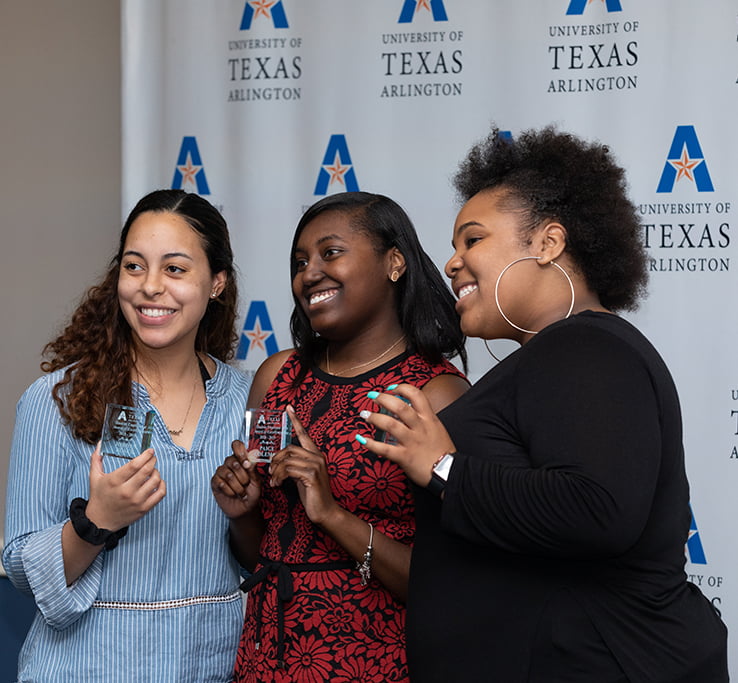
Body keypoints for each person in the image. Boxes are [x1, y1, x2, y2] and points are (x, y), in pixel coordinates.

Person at [358, 127, 729, 682]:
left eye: (473, 240)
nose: (452, 263)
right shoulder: (557, 354)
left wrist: (441, 466)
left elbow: (596, 510)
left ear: (547, 244)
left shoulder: (587, 347)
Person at [211, 191, 469, 682]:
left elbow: (448, 585)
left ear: (394, 263)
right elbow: (261, 550)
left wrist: (331, 514)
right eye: (300, 261)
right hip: (268, 657)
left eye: (330, 253)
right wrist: (242, 515)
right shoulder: (277, 377)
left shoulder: (435, 395)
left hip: (373, 662)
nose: (309, 274)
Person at [3, 189, 250, 681]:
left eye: (175, 269)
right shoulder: (57, 397)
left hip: (212, 666)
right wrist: (96, 521)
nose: (150, 286)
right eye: (134, 266)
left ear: (216, 283)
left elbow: (274, 550)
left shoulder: (248, 400)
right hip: (88, 667)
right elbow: (20, 564)